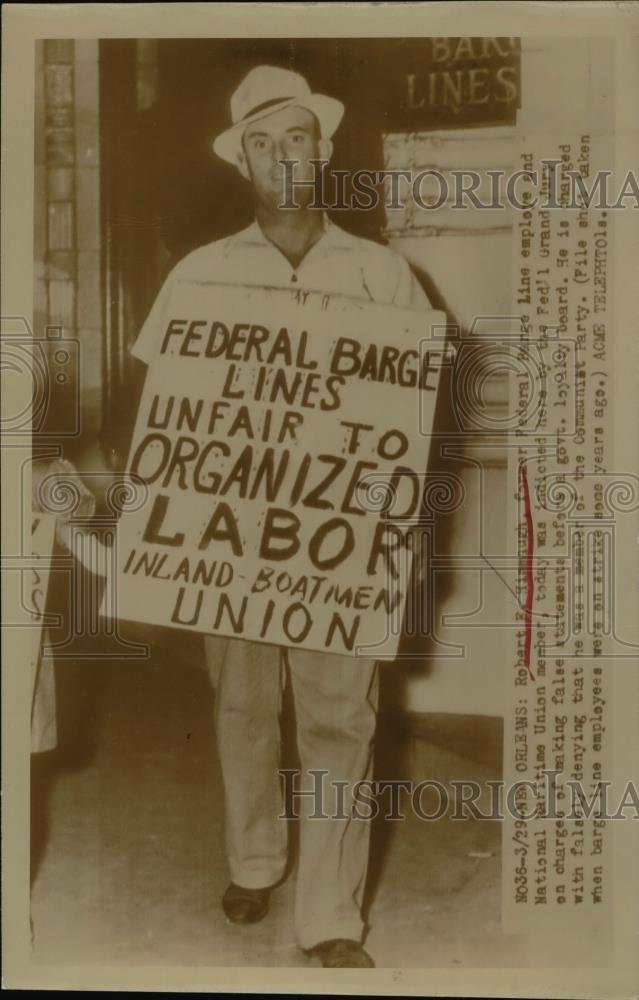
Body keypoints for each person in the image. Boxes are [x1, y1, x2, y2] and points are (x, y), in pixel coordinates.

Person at [131, 65, 431, 969]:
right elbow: (163, 408)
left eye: (295, 137)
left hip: (336, 541)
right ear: (242, 160)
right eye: (261, 142)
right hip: (234, 535)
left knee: (341, 718)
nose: (280, 157)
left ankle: (331, 914)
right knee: (243, 705)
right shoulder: (201, 273)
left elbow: (411, 425)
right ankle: (254, 860)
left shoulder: (383, 274)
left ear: (322, 149)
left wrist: (395, 531)